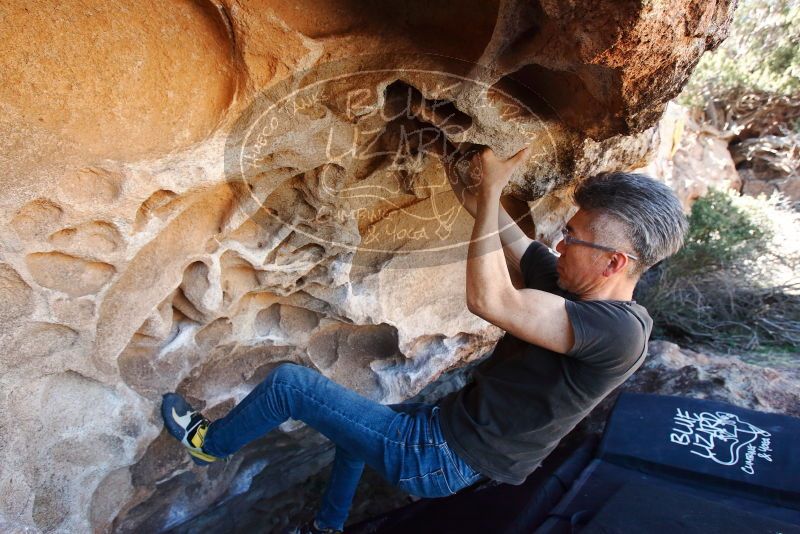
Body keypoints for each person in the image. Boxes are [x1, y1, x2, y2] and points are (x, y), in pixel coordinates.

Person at [161, 143, 688, 533]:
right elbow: (516, 241)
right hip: (446, 432)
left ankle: (207, 445)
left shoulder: (618, 331)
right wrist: (467, 176)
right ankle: (328, 528)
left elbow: (492, 302)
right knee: (355, 421)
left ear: (614, 262)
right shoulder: (576, 283)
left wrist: (491, 194)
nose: (560, 240)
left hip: (440, 456)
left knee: (291, 385)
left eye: (573, 236)